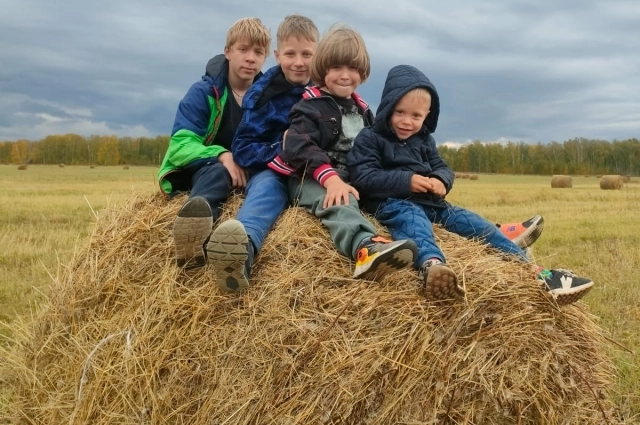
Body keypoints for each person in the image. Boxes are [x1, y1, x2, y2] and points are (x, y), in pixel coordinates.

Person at [346, 64, 594, 306]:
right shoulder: (371, 137)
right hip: (394, 203)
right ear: (388, 106)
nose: (406, 121)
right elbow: (363, 176)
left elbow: (442, 167)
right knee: (414, 224)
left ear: (427, 116)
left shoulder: (424, 141)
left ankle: (537, 273)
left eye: (416, 116)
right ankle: (433, 267)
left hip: (434, 204)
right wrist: (406, 181)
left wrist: (441, 181)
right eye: (399, 112)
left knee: (477, 225)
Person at [270, 25, 418, 281]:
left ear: (362, 72)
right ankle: (364, 247)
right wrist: (331, 179)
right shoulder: (309, 104)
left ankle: (477, 233)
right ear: (323, 68)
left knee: (402, 203)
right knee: (340, 201)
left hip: (351, 178)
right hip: (312, 178)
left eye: (352, 68)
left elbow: (376, 149)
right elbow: (299, 145)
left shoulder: (364, 110)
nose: (345, 75)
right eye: (336, 67)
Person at [206, 15, 320, 291]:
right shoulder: (262, 94)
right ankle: (241, 249)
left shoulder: (327, 87)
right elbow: (243, 149)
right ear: (278, 55)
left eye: (307, 54)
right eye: (291, 54)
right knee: (268, 188)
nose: (299, 62)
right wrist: (280, 149)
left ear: (318, 54)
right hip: (276, 171)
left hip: (319, 171)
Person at [156, 18, 270, 273]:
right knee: (216, 173)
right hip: (206, 168)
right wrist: (222, 156)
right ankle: (194, 237)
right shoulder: (203, 92)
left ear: (265, 58)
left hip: (250, 172)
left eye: (258, 52)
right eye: (243, 50)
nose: (250, 58)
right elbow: (180, 145)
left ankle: (241, 246)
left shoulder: (267, 99)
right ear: (227, 52)